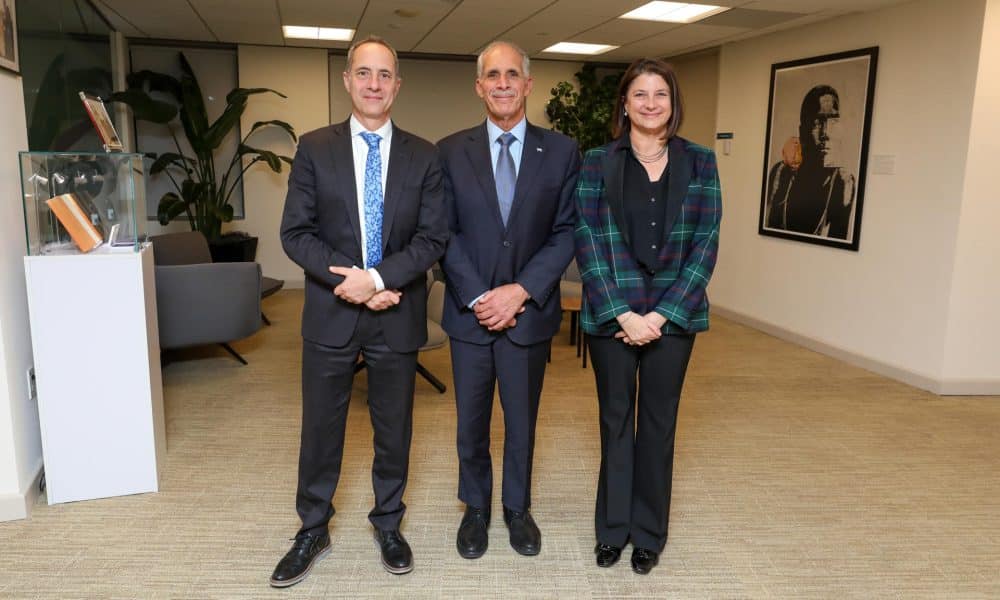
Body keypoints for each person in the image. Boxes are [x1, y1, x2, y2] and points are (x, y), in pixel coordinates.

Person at [271, 35, 447, 586]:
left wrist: (378, 280)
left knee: (394, 428)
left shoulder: (425, 155)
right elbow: (295, 233)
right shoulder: (314, 147)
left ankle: (389, 523)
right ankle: (312, 528)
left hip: (397, 310)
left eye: (385, 74)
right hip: (331, 311)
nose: (374, 84)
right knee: (320, 429)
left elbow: (432, 238)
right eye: (364, 73)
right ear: (347, 80)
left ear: (397, 85)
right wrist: (353, 282)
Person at [573, 58, 721, 574]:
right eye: (640, 94)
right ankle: (612, 530)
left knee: (658, 425)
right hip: (612, 313)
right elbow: (588, 240)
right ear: (625, 103)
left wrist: (660, 315)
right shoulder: (597, 162)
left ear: (673, 103)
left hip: (673, 317)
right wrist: (621, 313)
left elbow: (705, 244)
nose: (651, 103)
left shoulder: (700, 162)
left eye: (661, 94)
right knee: (615, 421)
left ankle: (649, 535)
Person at [437, 41, 580, 559]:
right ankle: (475, 508)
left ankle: (517, 508)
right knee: (471, 422)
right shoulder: (449, 151)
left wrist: (520, 291)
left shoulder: (562, 151)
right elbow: (442, 232)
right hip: (469, 314)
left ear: (528, 84)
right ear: (479, 86)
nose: (503, 84)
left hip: (528, 314)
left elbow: (567, 231)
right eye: (493, 75)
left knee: (521, 422)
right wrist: (480, 296)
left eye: (512, 74)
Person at [763, 84, 855, 239]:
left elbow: (837, 244)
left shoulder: (843, 182)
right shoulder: (780, 173)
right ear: (802, 130)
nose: (826, 134)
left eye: (833, 122)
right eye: (817, 123)